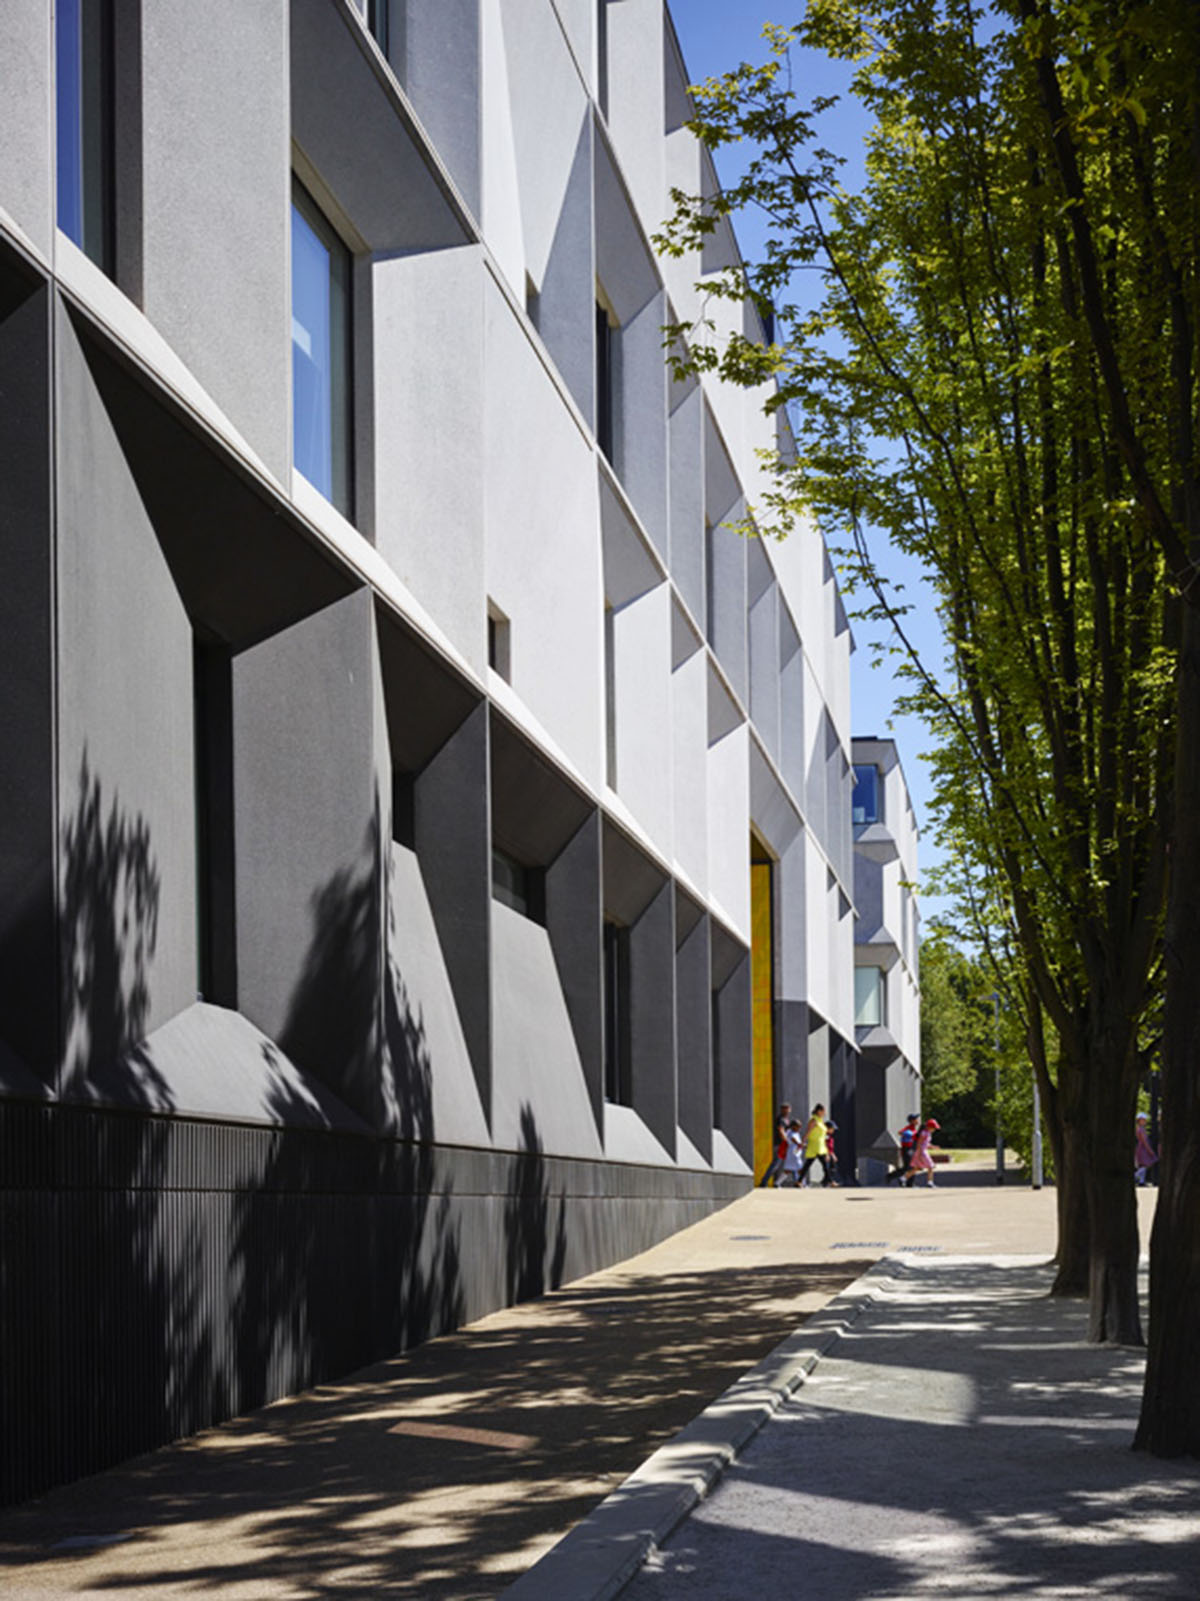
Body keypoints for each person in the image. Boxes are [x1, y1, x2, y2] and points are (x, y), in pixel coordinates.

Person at [798, 1103, 832, 1187]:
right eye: (823, 1111)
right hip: (815, 1146)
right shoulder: (814, 1120)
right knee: (824, 1165)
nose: (824, 1113)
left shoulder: (821, 1121)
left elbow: (823, 1135)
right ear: (819, 1111)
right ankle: (831, 1181)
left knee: (808, 1164)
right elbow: (808, 1132)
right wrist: (803, 1141)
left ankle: (799, 1181)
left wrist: (826, 1149)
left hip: (820, 1145)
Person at [759, 1103, 792, 1187]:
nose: (786, 1110)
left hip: (783, 1145)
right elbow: (781, 1130)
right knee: (776, 1164)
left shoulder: (786, 1119)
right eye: (784, 1108)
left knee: (789, 1163)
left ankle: (775, 1182)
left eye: (787, 1108)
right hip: (780, 1145)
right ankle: (764, 1182)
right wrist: (786, 1141)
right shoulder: (780, 1119)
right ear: (781, 1110)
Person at [887, 1113, 921, 1185]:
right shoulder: (908, 1128)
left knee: (911, 1167)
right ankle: (891, 1176)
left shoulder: (914, 1129)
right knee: (909, 1167)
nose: (918, 1120)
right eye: (916, 1119)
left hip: (912, 1149)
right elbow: (900, 1132)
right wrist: (908, 1134)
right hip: (907, 1150)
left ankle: (909, 1183)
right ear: (912, 1121)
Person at [907, 1117, 940, 1187]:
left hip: (922, 1152)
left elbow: (926, 1144)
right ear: (929, 1127)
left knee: (917, 1168)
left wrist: (933, 1147)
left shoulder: (927, 1133)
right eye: (933, 1128)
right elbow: (919, 1143)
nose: (934, 1130)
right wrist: (919, 1153)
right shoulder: (924, 1133)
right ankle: (930, 1183)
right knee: (930, 1166)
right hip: (922, 1152)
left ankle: (903, 1178)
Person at [1134, 1113, 1158, 1186]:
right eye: (1143, 1120)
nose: (1145, 1121)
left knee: (1143, 1165)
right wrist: (1149, 1150)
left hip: (1141, 1147)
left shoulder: (1140, 1129)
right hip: (1143, 1148)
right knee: (1147, 1164)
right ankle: (1135, 1175)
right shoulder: (1141, 1129)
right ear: (1139, 1120)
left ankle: (1141, 1181)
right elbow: (1144, 1141)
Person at [780, 1119, 805, 1186]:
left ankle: (777, 1183)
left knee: (788, 1170)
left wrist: (801, 1145)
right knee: (800, 1169)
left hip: (796, 1153)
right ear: (793, 1126)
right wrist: (801, 1144)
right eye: (798, 1126)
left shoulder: (796, 1132)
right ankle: (803, 1184)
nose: (799, 1128)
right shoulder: (790, 1132)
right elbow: (794, 1140)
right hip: (793, 1154)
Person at [824, 1118, 841, 1187]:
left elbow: (831, 1147)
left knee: (832, 1168)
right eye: (832, 1129)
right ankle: (829, 1181)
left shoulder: (830, 1136)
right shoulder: (825, 1136)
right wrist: (828, 1154)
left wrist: (833, 1154)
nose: (833, 1130)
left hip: (830, 1153)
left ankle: (826, 1181)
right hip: (826, 1154)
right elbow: (825, 1145)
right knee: (829, 1168)